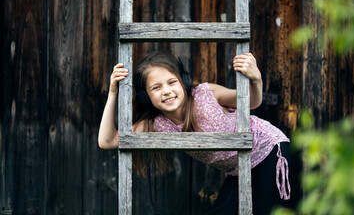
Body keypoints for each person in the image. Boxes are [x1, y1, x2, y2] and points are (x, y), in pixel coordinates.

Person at [98, 50, 290, 214]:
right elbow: (107, 141)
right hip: (239, 169)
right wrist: (113, 93)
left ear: (184, 82)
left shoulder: (206, 94)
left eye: (172, 82)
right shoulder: (158, 124)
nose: (166, 91)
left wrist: (255, 79)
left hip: (271, 151)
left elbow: (252, 102)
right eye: (156, 87)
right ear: (146, 97)